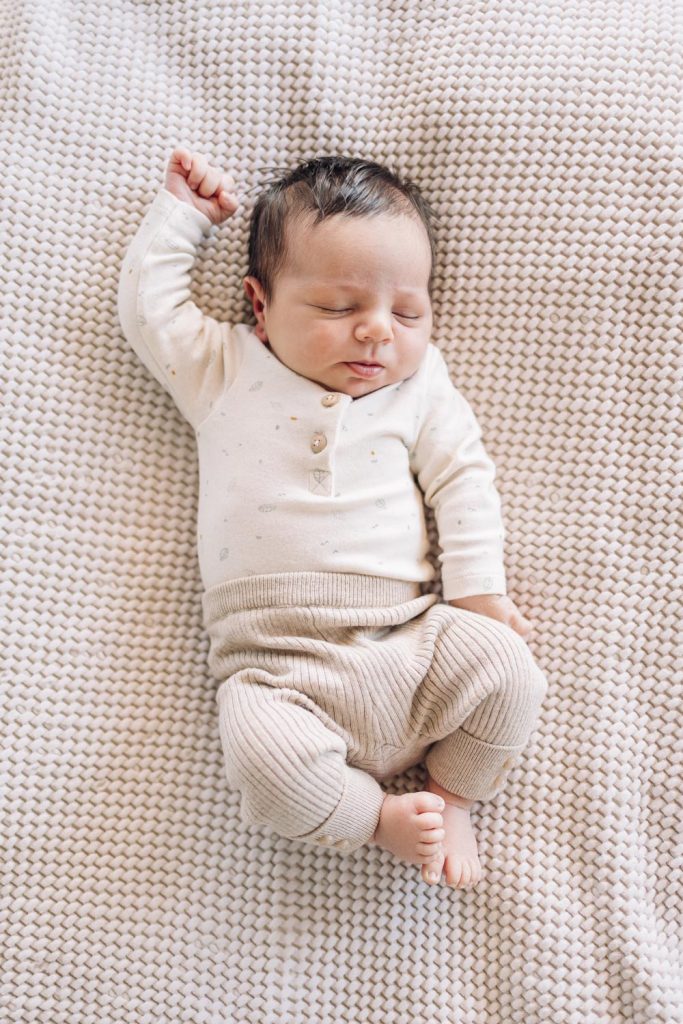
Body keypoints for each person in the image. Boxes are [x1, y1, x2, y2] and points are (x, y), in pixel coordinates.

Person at [117, 147, 548, 889]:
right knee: (258, 759)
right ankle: (373, 819)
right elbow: (148, 312)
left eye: (407, 310)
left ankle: (451, 797)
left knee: (511, 671)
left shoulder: (419, 388)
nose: (378, 331)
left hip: (411, 638)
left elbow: (463, 478)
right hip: (276, 668)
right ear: (260, 306)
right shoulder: (222, 369)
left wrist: (477, 594)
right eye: (339, 308)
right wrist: (183, 217)